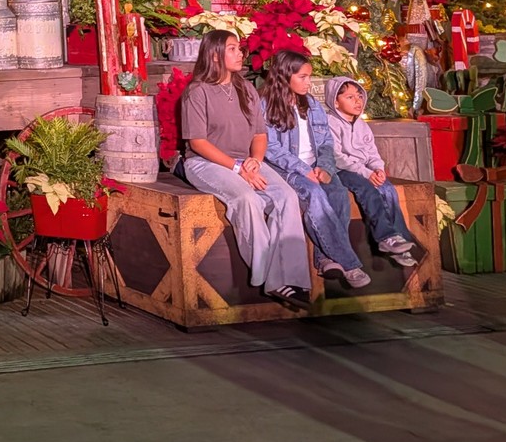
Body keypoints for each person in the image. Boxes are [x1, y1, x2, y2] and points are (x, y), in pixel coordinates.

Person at [179, 30, 311, 305]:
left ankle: (293, 278)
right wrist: (238, 169)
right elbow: (197, 142)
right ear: (215, 55)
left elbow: (260, 134)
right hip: (206, 163)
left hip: (246, 161)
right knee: (246, 198)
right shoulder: (197, 91)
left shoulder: (246, 89)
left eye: (239, 48)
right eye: (232, 48)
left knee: (286, 196)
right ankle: (272, 279)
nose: (240, 53)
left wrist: (256, 160)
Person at [261, 51, 371, 288]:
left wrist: (325, 166)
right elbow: (270, 148)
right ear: (284, 76)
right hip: (287, 169)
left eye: (309, 77)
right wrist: (302, 169)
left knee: (338, 194)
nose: (308, 82)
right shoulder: (266, 105)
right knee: (315, 194)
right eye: (303, 77)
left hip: (315, 165)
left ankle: (326, 259)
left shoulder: (311, 104)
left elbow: (326, 142)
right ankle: (349, 264)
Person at [324, 75, 418, 268]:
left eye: (359, 96)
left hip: (365, 169)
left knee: (388, 190)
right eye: (350, 97)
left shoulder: (362, 125)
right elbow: (337, 157)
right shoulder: (330, 123)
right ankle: (386, 237)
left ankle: (400, 242)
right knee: (367, 189)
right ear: (335, 101)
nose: (357, 101)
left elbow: (372, 152)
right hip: (342, 170)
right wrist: (366, 174)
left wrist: (377, 169)